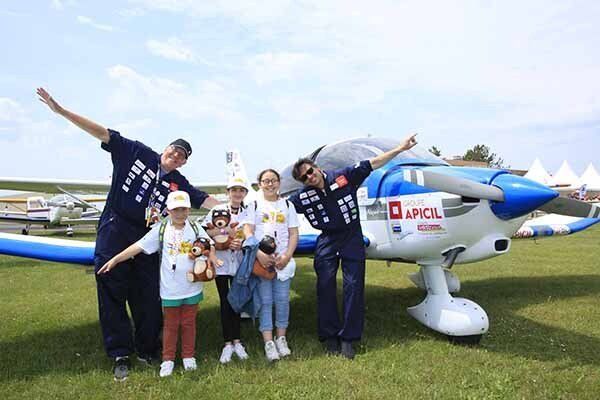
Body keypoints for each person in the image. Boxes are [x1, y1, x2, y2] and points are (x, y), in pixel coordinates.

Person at [36, 88, 219, 381]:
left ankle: (147, 349)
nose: (176, 156)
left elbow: (203, 199)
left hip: (147, 239)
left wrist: (235, 210)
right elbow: (101, 132)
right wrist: (61, 111)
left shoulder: (177, 182)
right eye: (174, 150)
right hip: (115, 229)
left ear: (183, 163)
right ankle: (120, 353)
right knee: (111, 290)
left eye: (182, 156)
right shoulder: (135, 152)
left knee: (148, 296)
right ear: (166, 148)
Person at [289, 133, 418, 359]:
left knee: (354, 286)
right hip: (327, 239)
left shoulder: (344, 176)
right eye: (304, 177)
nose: (309, 177)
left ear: (317, 168)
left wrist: (400, 149)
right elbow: (279, 211)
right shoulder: (302, 197)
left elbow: (373, 163)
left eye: (310, 171)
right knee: (325, 287)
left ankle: (349, 338)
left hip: (352, 236)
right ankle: (329, 335)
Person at [98, 191, 220, 377]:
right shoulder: (161, 229)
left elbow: (209, 245)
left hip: (192, 288)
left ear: (189, 210)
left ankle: (188, 356)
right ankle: (168, 359)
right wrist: (116, 259)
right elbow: (139, 246)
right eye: (176, 210)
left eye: (184, 209)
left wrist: (213, 259)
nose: (180, 213)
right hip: (170, 289)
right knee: (170, 325)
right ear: (168, 211)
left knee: (189, 324)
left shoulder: (195, 228)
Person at [242, 169, 299, 362]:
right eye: (266, 181)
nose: (270, 184)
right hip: (262, 262)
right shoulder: (254, 205)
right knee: (265, 301)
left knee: (282, 300)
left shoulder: (288, 205)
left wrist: (287, 256)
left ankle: (281, 338)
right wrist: (259, 254)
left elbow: (293, 233)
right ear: (259, 184)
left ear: (279, 183)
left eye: (273, 180)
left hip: (283, 261)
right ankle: (268, 341)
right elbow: (248, 231)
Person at [202, 176, 251, 364]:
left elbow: (251, 234)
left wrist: (241, 242)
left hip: (239, 263)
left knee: (236, 301)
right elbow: (205, 232)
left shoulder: (248, 212)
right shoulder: (217, 210)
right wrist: (225, 233)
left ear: (245, 193)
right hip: (221, 264)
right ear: (227, 192)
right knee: (225, 301)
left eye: (241, 190)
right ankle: (227, 343)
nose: (237, 193)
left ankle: (237, 341)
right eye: (234, 190)